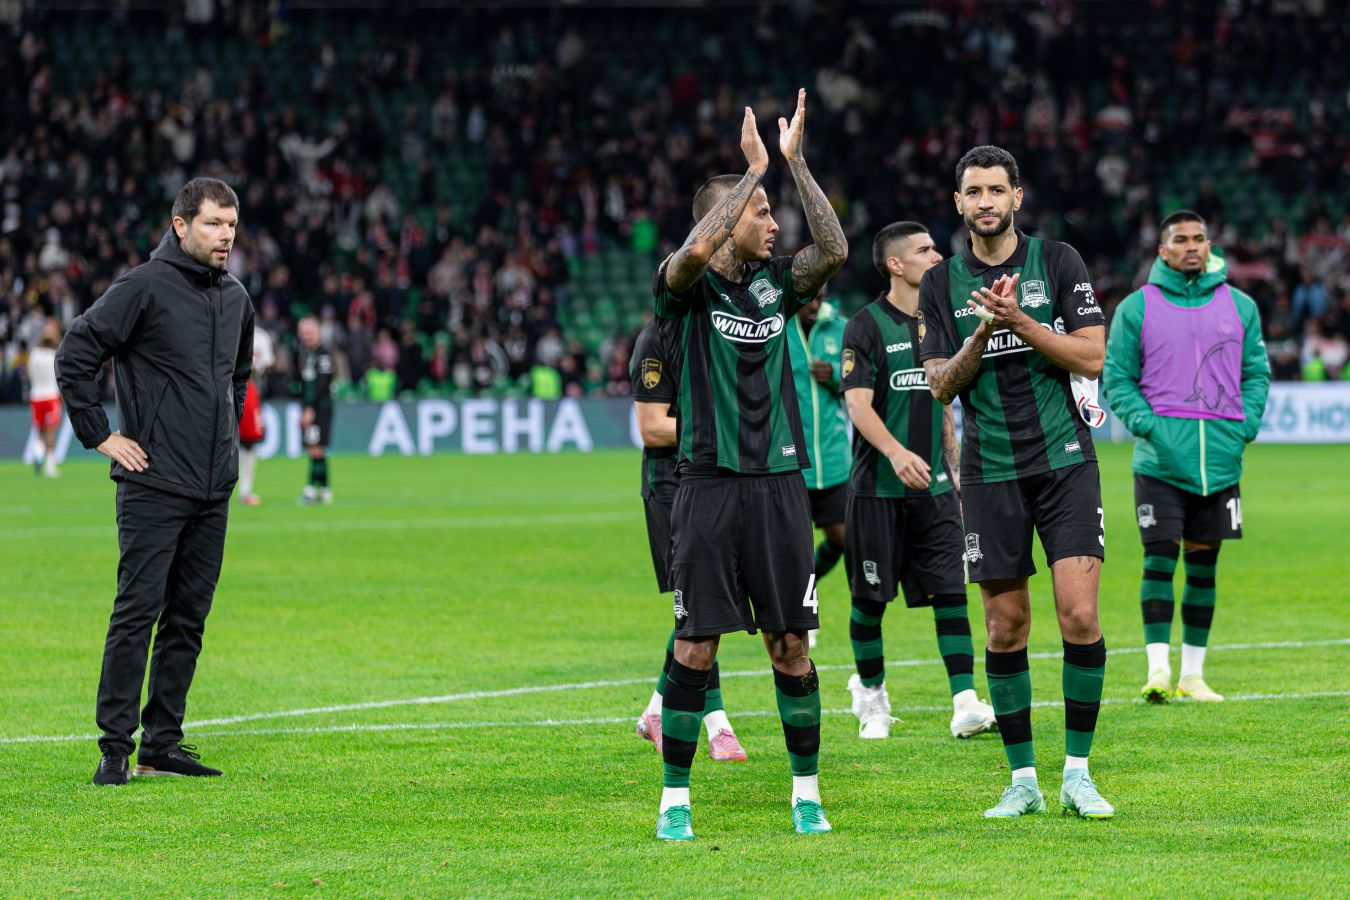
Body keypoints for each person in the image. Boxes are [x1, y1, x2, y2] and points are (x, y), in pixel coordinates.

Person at [650, 90, 847, 841]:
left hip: (779, 489)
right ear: (730, 215)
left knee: (790, 644)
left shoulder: (775, 289)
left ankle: (806, 792)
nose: (775, 222)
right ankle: (674, 800)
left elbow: (832, 252)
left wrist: (792, 165)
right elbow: (694, 253)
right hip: (706, 485)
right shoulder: (688, 293)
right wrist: (750, 172)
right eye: (762, 212)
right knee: (695, 641)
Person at [918, 146, 1113, 819]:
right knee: (1006, 629)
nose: (985, 202)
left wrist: (1023, 323)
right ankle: (1023, 778)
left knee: (1080, 615)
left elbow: (1092, 353)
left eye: (996, 190)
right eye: (973, 192)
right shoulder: (939, 284)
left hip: (1064, 462)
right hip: (989, 471)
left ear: (1017, 197)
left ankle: (1079, 775)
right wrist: (981, 333)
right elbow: (940, 383)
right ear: (958, 203)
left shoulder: (1058, 262)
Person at [56, 177, 253, 785]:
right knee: (137, 614)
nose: (225, 237)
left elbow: (236, 381)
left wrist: (224, 441)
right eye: (214, 224)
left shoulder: (236, 297)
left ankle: (162, 742)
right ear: (180, 225)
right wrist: (100, 434)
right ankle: (116, 746)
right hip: (152, 483)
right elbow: (76, 353)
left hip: (212, 486)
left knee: (188, 619)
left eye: (232, 226)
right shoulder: (142, 287)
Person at [1102, 210, 1270, 704]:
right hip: (1158, 462)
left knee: (1204, 567)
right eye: (1181, 240)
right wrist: (1149, 426)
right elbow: (1118, 379)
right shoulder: (1137, 308)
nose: (1192, 246)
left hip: (1220, 457)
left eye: (1199, 238)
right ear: (1162, 250)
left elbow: (1256, 373)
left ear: (1209, 245)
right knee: (1158, 561)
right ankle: (1158, 670)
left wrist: (1247, 424)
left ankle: (1193, 676)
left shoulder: (1240, 306)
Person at [841, 221, 996, 741]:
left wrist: (954, 475)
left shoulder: (941, 321)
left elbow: (945, 405)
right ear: (896, 264)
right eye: (924, 250)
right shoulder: (865, 326)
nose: (936, 256)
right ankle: (873, 699)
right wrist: (896, 451)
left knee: (952, 593)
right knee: (870, 602)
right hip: (876, 491)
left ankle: (965, 702)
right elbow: (857, 405)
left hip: (934, 493)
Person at [630, 316, 747, 763]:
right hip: (672, 486)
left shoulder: (724, 331)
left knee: (709, 600)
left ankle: (658, 708)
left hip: (719, 483)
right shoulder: (657, 337)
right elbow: (652, 427)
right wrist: (725, 428)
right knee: (699, 606)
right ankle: (717, 723)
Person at [786, 287, 850, 648]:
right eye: (807, 297)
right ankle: (802, 615)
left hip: (834, 458)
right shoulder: (778, 327)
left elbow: (863, 380)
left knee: (843, 539)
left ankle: (810, 590)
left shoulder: (840, 328)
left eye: (820, 296)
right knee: (794, 548)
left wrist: (837, 378)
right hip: (792, 461)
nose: (814, 304)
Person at [297, 316, 335, 505]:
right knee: (314, 448)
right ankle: (323, 489)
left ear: (318, 332)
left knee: (316, 448)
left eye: (310, 331)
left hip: (321, 408)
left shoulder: (324, 355)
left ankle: (315, 488)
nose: (306, 335)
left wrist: (310, 408)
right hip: (309, 407)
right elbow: (304, 384)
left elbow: (323, 383)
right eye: (303, 332)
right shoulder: (304, 354)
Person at [237, 322, 275, 506]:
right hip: (231, 387)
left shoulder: (261, 336)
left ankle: (245, 491)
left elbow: (267, 365)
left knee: (249, 442)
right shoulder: (260, 336)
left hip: (246, 387)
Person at [28, 320, 63, 478]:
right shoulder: (54, 354)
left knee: (40, 430)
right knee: (50, 430)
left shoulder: (34, 354)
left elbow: (29, 374)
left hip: (36, 395)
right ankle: (50, 464)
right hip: (50, 395)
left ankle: (37, 453)